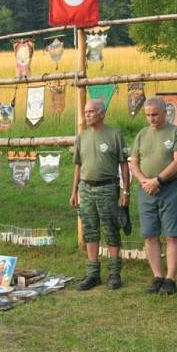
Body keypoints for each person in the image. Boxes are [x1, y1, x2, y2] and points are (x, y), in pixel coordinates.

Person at [70, 99, 130, 290]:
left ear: (102, 113)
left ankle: (114, 273)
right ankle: (93, 273)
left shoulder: (114, 135)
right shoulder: (82, 136)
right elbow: (78, 166)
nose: (87, 115)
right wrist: (74, 191)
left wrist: (125, 190)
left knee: (111, 229)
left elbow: (124, 164)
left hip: (107, 187)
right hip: (86, 189)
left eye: (91, 112)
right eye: (85, 112)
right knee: (90, 230)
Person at [129, 96, 177, 294]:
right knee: (150, 234)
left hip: (169, 188)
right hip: (147, 190)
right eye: (147, 115)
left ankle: (170, 278)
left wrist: (158, 180)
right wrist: (144, 181)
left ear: (165, 113)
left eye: (155, 114)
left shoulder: (175, 132)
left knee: (171, 234)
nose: (151, 118)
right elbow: (133, 162)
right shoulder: (142, 135)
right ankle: (157, 276)